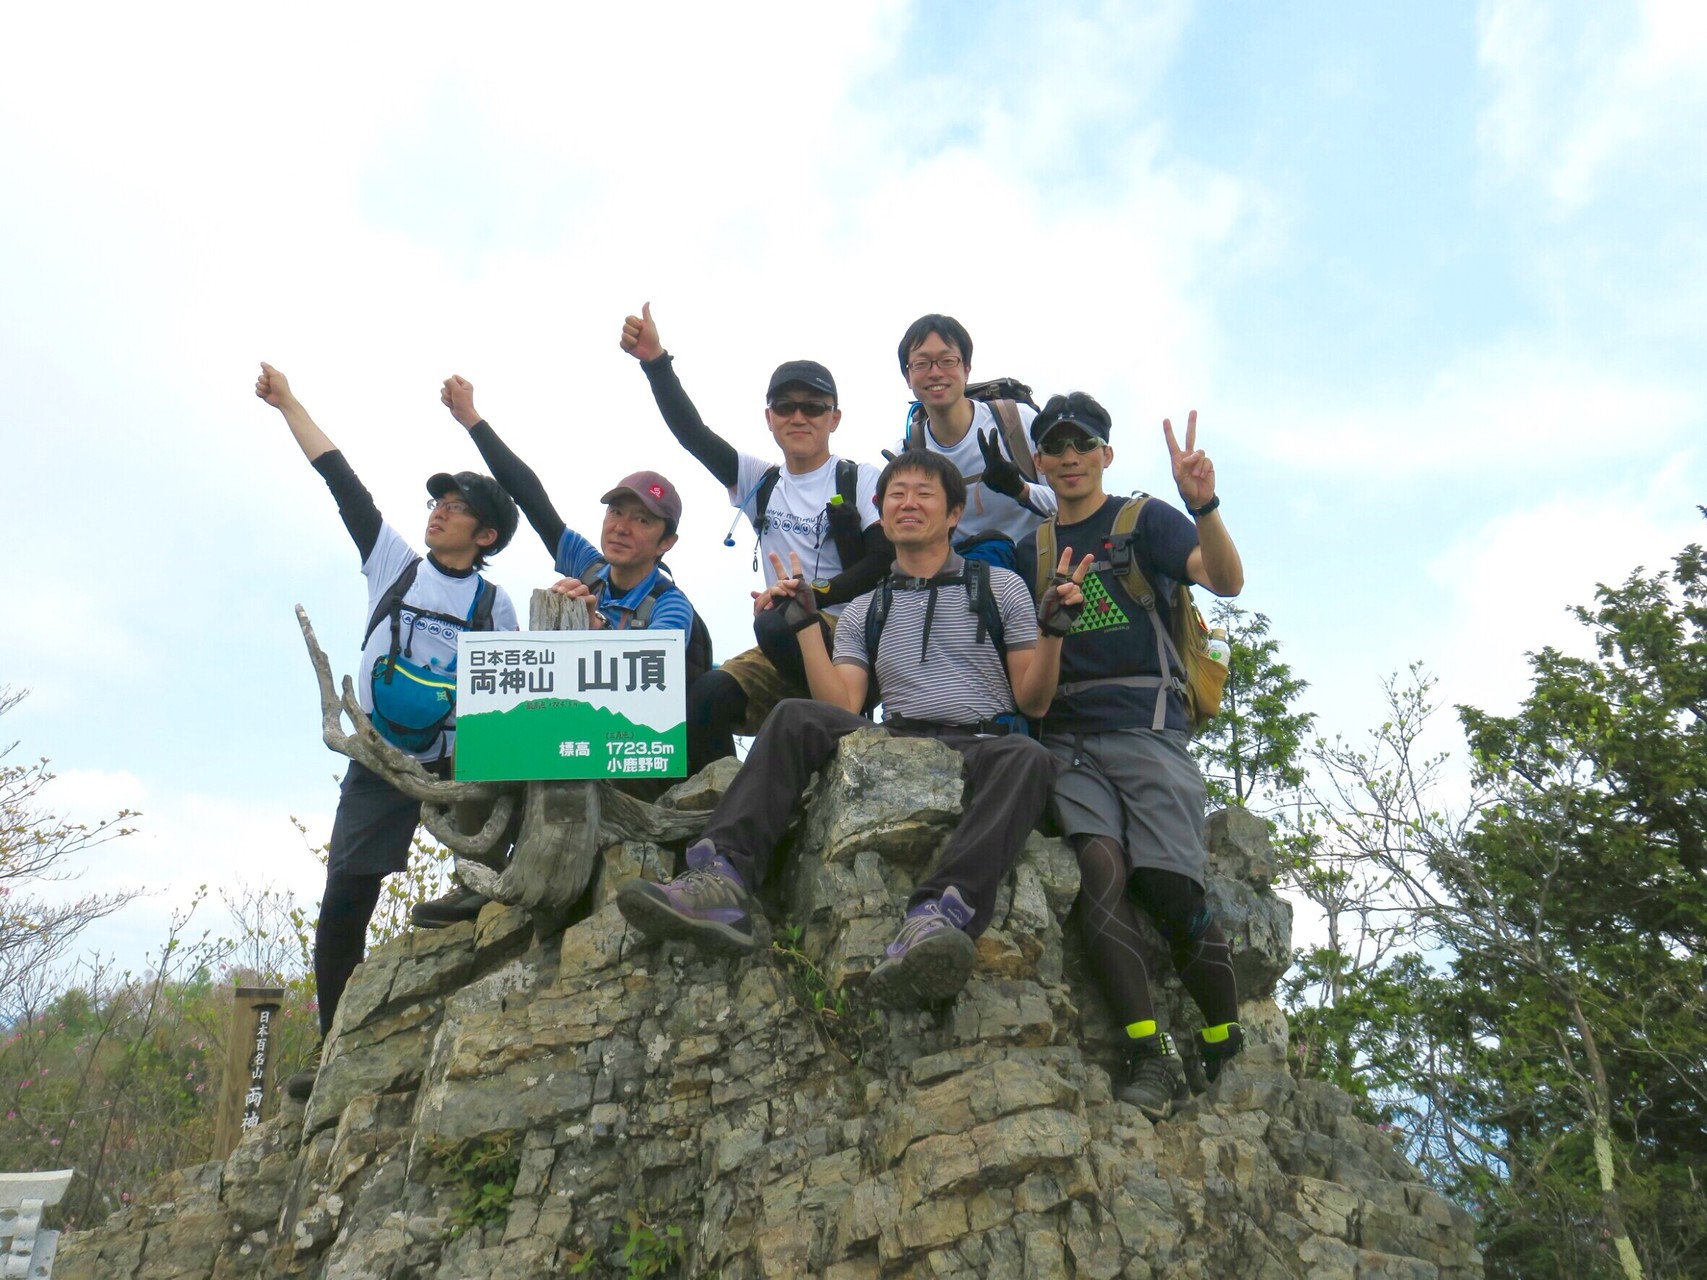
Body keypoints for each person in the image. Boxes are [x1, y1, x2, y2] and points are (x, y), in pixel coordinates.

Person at [615, 450, 1076, 1007]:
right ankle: (723, 877)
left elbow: (1034, 699)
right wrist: (807, 624)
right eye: (896, 495)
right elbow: (846, 705)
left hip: (983, 738)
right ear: (880, 513)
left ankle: (937, 914)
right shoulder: (864, 609)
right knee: (794, 714)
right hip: (900, 735)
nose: (908, 503)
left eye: (925, 494)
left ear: (954, 513)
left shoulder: (1000, 587)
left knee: (1029, 759)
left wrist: (1051, 633)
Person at [254, 363, 520, 1100]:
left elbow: (512, 698)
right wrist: (290, 405)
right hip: (377, 760)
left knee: (496, 871)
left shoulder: (495, 607)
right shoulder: (394, 564)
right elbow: (342, 481)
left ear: (486, 531)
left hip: (455, 759)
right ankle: (336, 1048)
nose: (437, 510)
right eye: (436, 500)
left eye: (456, 505)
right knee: (347, 897)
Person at [1015, 392, 1246, 1122]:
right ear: (1039, 460)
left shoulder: (1145, 520)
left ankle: (1222, 1035)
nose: (1069, 457)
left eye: (1083, 443)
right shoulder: (1034, 551)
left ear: (1105, 454)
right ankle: (1146, 1051)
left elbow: (1225, 580)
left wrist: (1203, 506)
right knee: (1098, 872)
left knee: (1168, 885)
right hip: (1068, 739)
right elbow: (1028, 682)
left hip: (1149, 728)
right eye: (1054, 446)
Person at [406, 374, 704, 928]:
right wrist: (474, 420)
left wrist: (590, 632)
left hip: (630, 754)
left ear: (667, 544)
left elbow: (643, 689)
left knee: (528, 731)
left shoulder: (670, 605)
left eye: (643, 521)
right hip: (573, 736)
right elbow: (532, 498)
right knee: (490, 726)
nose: (622, 527)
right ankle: (476, 875)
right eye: (617, 512)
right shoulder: (589, 567)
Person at [620, 303, 891, 765]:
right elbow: (693, 435)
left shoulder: (862, 478)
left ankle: (845, 713)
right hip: (782, 634)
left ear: (835, 418)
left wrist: (812, 597)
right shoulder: (760, 481)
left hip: (848, 633)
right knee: (705, 698)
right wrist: (655, 362)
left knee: (774, 619)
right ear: (769, 418)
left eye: (814, 407)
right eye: (785, 406)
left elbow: (881, 562)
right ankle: (720, 801)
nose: (798, 416)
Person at [891, 313, 1054, 569]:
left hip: (1038, 570)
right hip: (962, 587)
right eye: (921, 364)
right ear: (907, 376)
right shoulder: (907, 452)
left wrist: (1019, 489)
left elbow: (1068, 503)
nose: (935, 373)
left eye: (947, 361)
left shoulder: (1016, 421)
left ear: (966, 368)